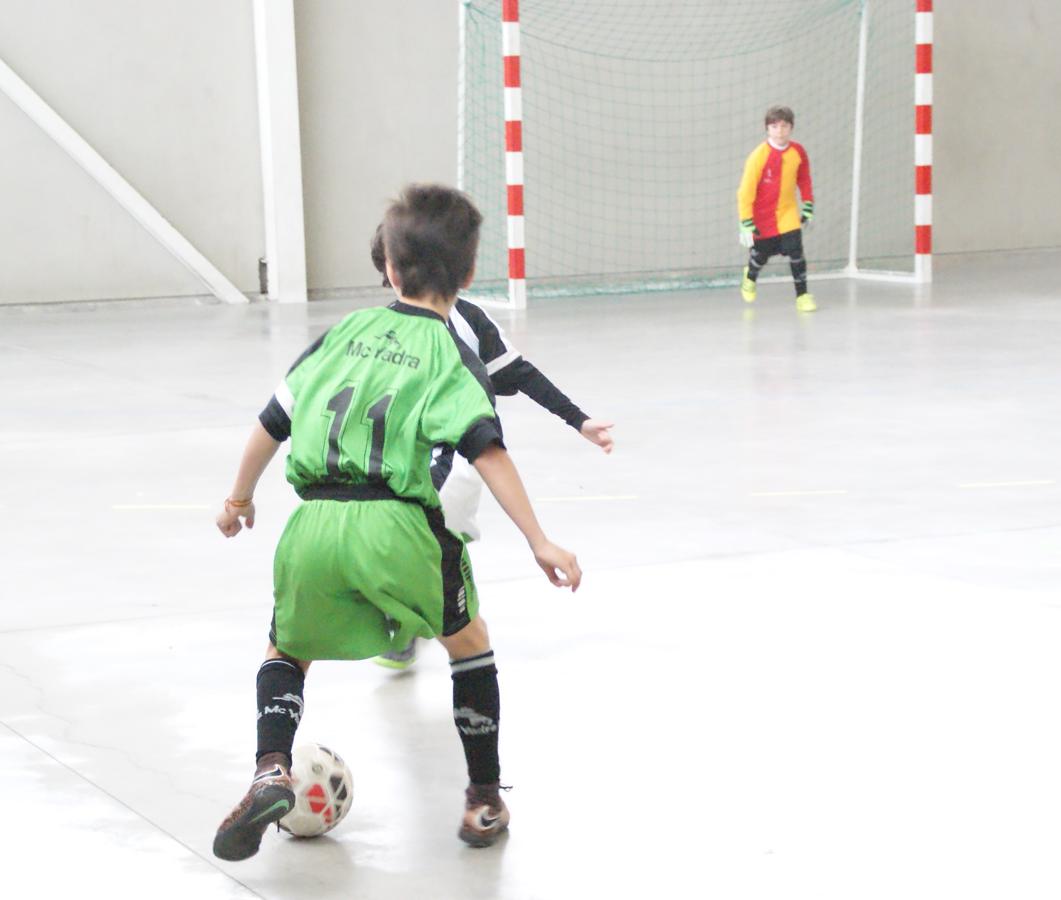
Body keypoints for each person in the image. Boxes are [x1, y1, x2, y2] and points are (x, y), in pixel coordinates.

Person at [211, 184, 582, 862]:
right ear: (468, 275)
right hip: (400, 527)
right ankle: (482, 799)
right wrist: (539, 540)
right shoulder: (449, 354)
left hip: (312, 524)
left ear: (388, 267)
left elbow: (270, 423)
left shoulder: (342, 334)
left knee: (285, 650)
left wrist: (237, 501)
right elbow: (485, 450)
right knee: (467, 642)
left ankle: (270, 765)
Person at [368, 224, 613, 670]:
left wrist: (577, 418)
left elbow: (516, 373)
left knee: (434, 549)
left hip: (454, 469)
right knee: (436, 555)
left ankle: (415, 623)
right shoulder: (395, 330)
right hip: (425, 472)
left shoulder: (457, 322)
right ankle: (422, 624)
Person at [737, 105, 817, 313]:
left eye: (784, 126)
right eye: (774, 126)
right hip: (762, 217)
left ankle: (803, 295)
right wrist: (746, 221)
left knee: (796, 253)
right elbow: (745, 191)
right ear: (767, 129)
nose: (780, 131)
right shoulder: (758, 156)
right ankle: (750, 275)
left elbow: (804, 178)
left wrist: (808, 204)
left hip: (788, 213)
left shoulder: (798, 152)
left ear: (791, 127)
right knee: (760, 257)